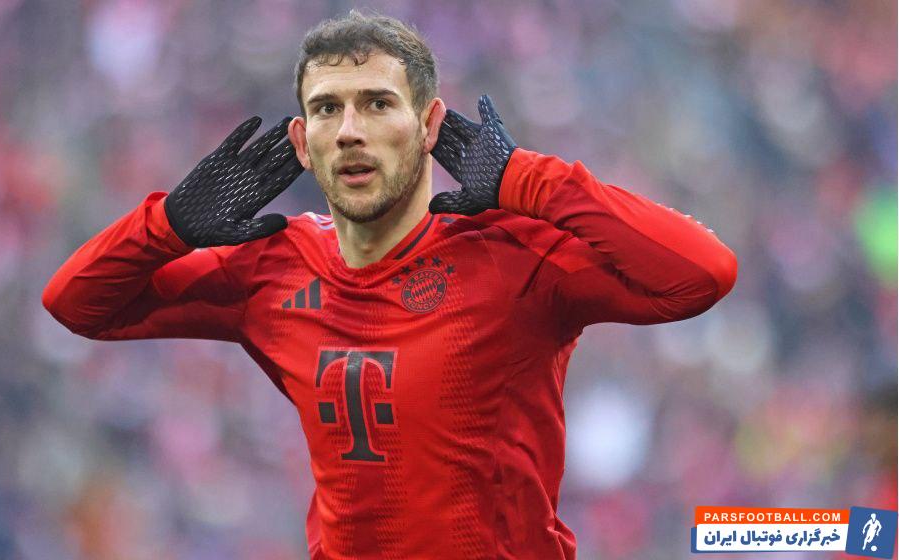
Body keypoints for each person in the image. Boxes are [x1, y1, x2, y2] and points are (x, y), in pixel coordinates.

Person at [42, 10, 737, 559]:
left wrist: (529, 179)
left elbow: (699, 274)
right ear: (301, 141)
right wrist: (167, 224)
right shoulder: (270, 269)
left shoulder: (511, 255)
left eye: (377, 104)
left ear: (429, 125)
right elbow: (77, 304)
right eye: (327, 109)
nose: (350, 131)